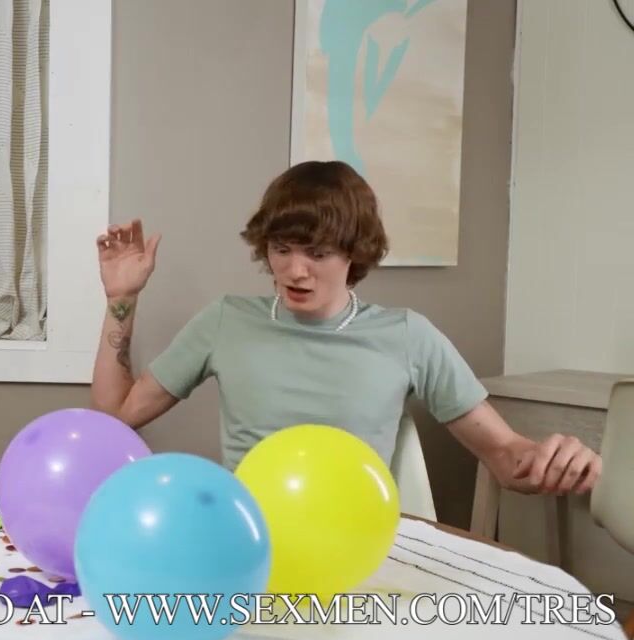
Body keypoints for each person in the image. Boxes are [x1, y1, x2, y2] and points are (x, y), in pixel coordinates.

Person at [91, 160, 601, 497]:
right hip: (248, 546)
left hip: (354, 550)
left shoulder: (408, 336)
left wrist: (551, 460)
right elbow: (117, 414)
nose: (294, 271)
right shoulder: (226, 321)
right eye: (281, 249)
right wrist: (122, 299)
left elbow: (505, 458)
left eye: (317, 253)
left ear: (354, 253)